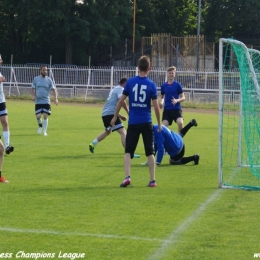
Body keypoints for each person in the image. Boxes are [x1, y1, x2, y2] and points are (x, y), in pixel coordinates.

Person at [111, 55, 161, 188]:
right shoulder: (151, 84)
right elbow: (156, 106)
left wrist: (115, 117)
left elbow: (121, 101)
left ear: (138, 68)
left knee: (128, 151)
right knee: (150, 152)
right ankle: (152, 180)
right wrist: (160, 123)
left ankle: (127, 177)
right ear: (149, 68)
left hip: (133, 122)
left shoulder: (131, 82)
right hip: (146, 121)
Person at [89, 78, 140, 158]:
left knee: (108, 131)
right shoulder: (121, 89)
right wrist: (128, 111)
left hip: (105, 113)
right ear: (125, 83)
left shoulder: (115, 89)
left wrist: (120, 115)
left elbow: (112, 105)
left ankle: (93, 143)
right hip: (110, 114)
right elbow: (122, 101)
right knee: (123, 132)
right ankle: (129, 153)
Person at [31, 65, 58, 136]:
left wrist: (56, 99)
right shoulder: (36, 79)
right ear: (40, 70)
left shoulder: (49, 80)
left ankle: (45, 132)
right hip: (38, 101)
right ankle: (40, 126)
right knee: (38, 116)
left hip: (46, 101)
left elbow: (54, 89)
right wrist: (33, 96)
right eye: (44, 70)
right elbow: (32, 88)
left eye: (46, 70)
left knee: (45, 116)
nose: (45, 71)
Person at [159, 66, 185, 132]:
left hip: (176, 109)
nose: (171, 74)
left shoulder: (177, 85)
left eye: (172, 73)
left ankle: (179, 139)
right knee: (164, 127)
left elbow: (183, 97)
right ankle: (166, 141)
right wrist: (161, 102)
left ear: (174, 74)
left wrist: (177, 100)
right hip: (167, 110)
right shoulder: (163, 86)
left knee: (180, 123)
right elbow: (162, 97)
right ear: (167, 74)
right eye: (169, 73)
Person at [0, 54, 14, 156]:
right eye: (0, 59)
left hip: (1, 101)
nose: (1, 60)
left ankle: (8, 146)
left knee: (5, 122)